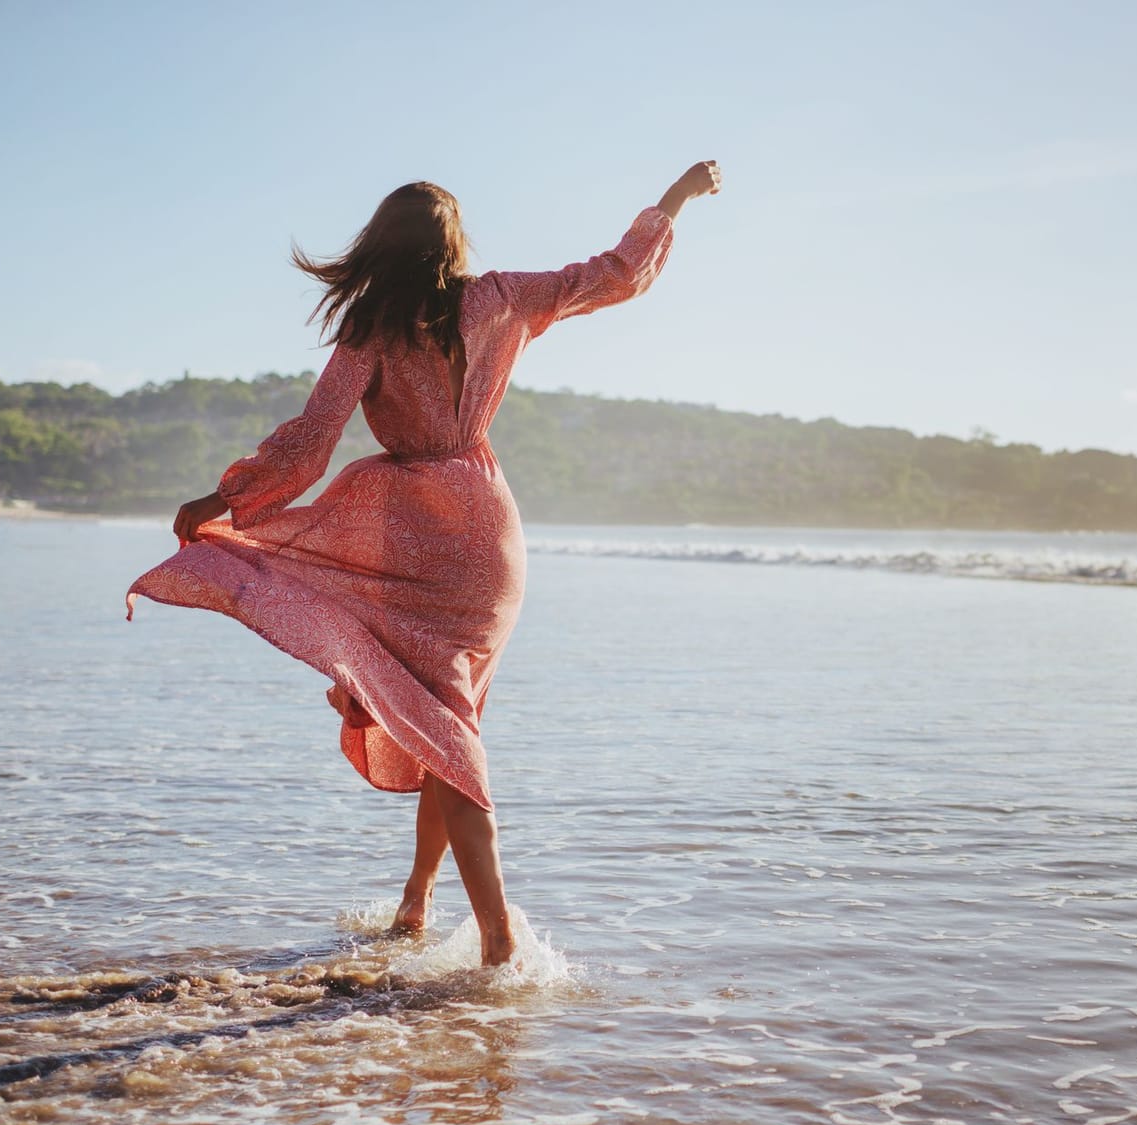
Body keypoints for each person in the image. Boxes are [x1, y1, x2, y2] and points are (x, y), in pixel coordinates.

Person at [125, 162, 723, 966]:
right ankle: (416, 906)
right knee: (446, 720)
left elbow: (312, 438)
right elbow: (614, 276)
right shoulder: (503, 297)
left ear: (383, 247)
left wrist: (226, 498)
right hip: (488, 535)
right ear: (453, 245)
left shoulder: (371, 329)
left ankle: (499, 943)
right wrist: (675, 201)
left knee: (448, 729)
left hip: (412, 536)